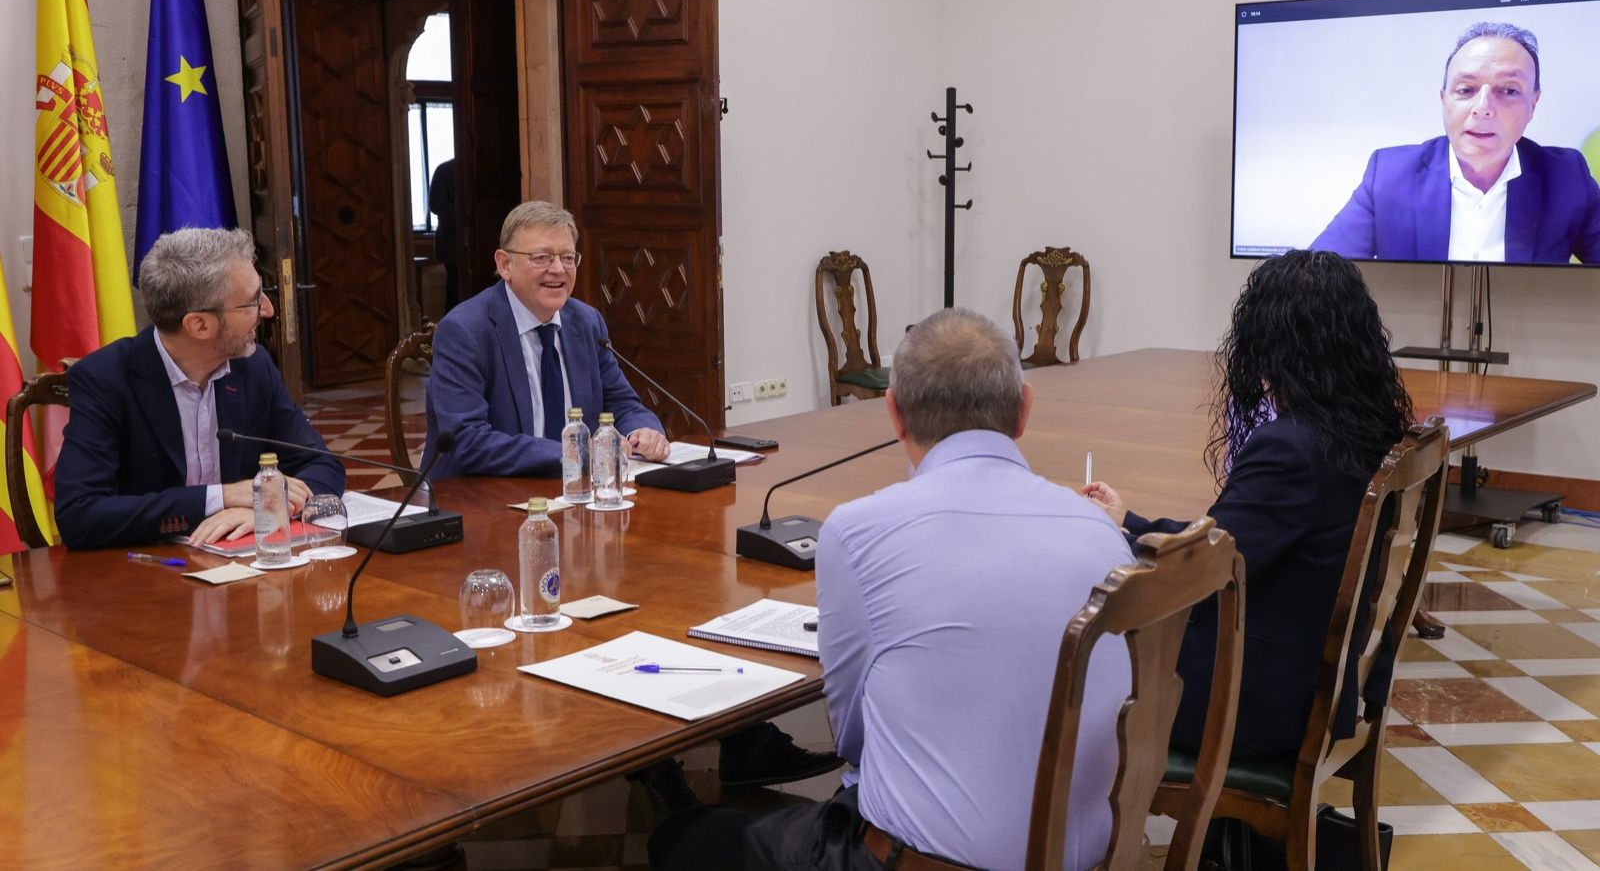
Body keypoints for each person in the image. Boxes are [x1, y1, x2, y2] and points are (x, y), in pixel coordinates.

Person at [642, 308, 1135, 871]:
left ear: (894, 413)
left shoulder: (858, 530)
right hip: (1088, 854)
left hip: (922, 862)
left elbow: (853, 736)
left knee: (686, 839)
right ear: (1024, 409)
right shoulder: (1102, 530)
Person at [1083, 249, 1414, 760]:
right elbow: (1235, 537)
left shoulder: (1291, 448)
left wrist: (1108, 537)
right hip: (1319, 682)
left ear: (1268, 345)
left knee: (1070, 660)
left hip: (1253, 702)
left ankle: (1076, 831)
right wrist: (1130, 521)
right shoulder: (1370, 431)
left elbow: (1202, 568)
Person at [56, 228, 345, 551]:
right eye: (251, 302)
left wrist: (270, 508)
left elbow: (323, 464)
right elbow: (79, 516)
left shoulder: (253, 367)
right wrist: (220, 497)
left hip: (249, 568)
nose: (268, 310)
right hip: (150, 577)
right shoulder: (105, 379)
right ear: (199, 325)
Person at [1311, 21, 1600, 264]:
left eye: (1509, 91)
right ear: (1444, 99)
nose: (1483, 107)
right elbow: (1315, 276)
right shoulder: (1390, 174)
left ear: (1533, 104)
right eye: (1466, 89)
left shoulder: (1566, 177)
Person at [422, 200, 671, 478]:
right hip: (484, 495)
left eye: (567, 257)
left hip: (576, 493)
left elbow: (622, 403)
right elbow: (466, 441)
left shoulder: (586, 323)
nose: (558, 269)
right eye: (541, 258)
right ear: (505, 265)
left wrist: (642, 431)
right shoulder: (465, 331)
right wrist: (571, 453)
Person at [428, 158, 460, 310]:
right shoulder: (445, 170)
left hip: (460, 241)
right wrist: (461, 216)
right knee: (454, 290)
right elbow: (435, 204)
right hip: (452, 241)